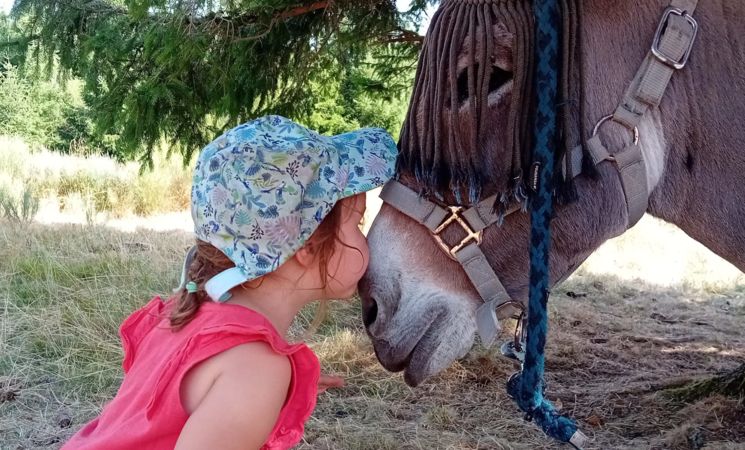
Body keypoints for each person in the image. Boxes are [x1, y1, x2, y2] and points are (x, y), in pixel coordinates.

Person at [62, 115, 398, 450]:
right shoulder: (254, 371)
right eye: (358, 223)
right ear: (306, 247)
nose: (366, 239)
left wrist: (260, 389)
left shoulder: (196, 317)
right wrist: (257, 385)